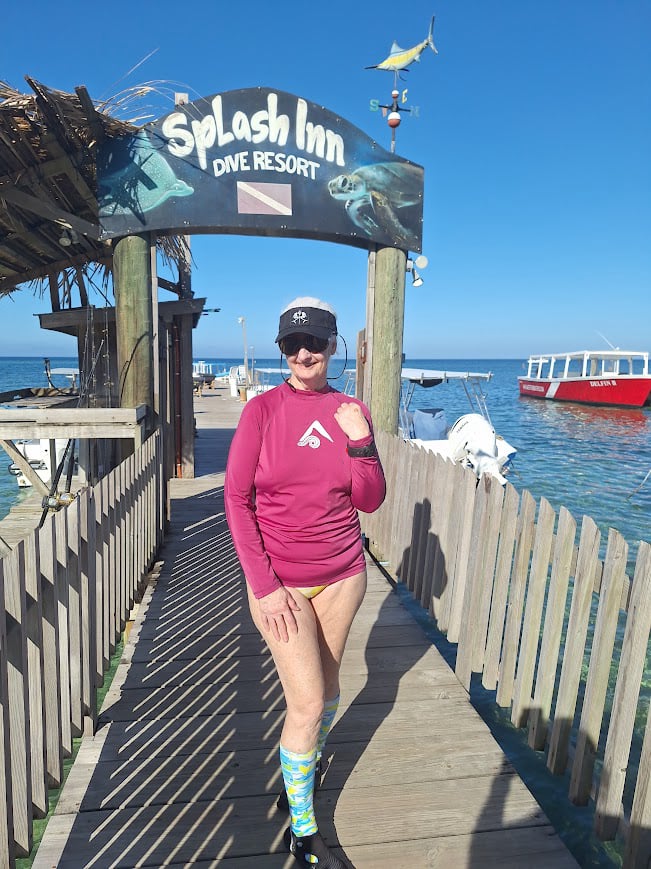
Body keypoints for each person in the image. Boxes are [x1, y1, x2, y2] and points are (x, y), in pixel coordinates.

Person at [225, 297, 386, 868]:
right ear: (282, 350)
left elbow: (370, 499)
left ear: (332, 345)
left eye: (314, 342)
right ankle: (302, 829)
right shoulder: (262, 411)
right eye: (292, 344)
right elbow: (236, 501)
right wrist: (264, 586)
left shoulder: (351, 410)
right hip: (281, 582)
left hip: (343, 574)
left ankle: (301, 773)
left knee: (330, 687)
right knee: (308, 702)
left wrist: (361, 442)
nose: (303, 353)